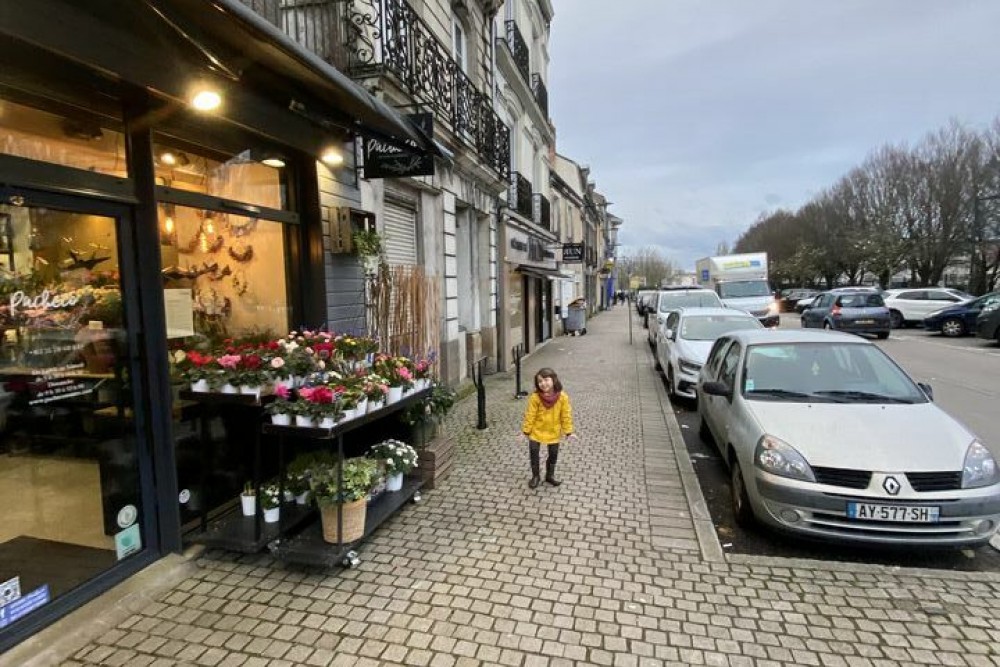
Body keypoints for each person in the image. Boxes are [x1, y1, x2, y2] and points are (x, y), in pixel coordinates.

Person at [518, 367, 578, 488]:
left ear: (554, 380)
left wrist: (569, 432)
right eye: (540, 381)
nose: (543, 383)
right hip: (536, 431)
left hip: (553, 432)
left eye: (546, 380)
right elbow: (530, 415)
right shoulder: (535, 397)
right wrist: (525, 432)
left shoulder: (563, 397)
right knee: (534, 454)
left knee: (553, 455)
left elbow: (566, 415)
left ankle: (549, 476)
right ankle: (536, 477)